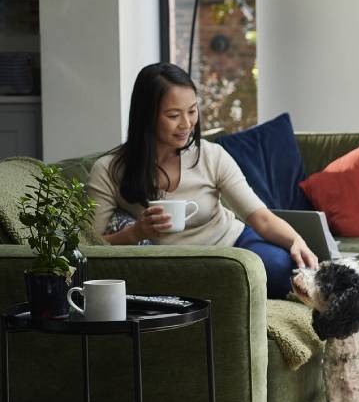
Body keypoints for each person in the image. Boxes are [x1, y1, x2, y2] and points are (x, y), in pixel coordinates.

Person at [87, 62, 316, 298]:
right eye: (173, 115)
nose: (186, 124)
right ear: (146, 115)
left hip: (234, 244)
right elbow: (89, 248)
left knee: (282, 269)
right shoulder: (109, 171)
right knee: (215, 285)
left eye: (192, 110)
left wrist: (295, 241)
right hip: (177, 266)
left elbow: (260, 217)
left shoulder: (210, 155)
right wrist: (135, 233)